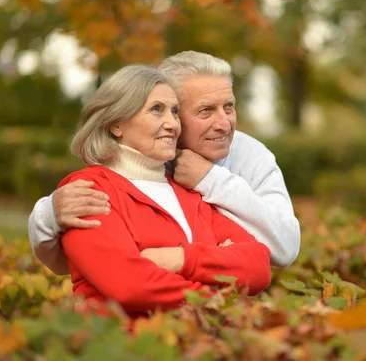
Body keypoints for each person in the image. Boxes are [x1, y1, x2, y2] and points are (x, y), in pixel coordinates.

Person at [28, 51, 300, 274]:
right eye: (206, 110)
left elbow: (284, 249)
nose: (223, 124)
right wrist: (49, 214)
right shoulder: (139, 165)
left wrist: (210, 180)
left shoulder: (251, 154)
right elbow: (82, 263)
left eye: (228, 107)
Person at [56, 65, 271, 318]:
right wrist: (218, 294)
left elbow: (258, 266)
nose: (172, 124)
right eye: (156, 109)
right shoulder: (89, 190)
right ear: (116, 124)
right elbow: (129, 286)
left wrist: (181, 259)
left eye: (175, 112)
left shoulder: (190, 194)